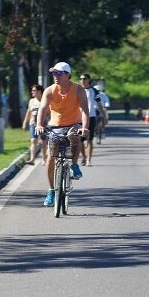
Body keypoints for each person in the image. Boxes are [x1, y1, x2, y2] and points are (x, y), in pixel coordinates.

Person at [35, 62, 90, 206]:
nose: (55, 76)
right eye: (54, 73)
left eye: (58, 73)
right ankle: (51, 190)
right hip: (55, 126)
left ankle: (74, 164)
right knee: (50, 157)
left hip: (74, 124)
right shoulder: (49, 90)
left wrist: (84, 127)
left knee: (75, 136)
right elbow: (43, 108)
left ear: (67, 74)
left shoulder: (78, 90)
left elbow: (84, 111)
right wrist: (39, 124)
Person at [79, 73, 105, 166]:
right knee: (80, 140)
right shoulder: (77, 90)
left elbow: (99, 104)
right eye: (81, 79)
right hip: (79, 118)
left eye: (84, 78)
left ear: (89, 80)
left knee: (89, 140)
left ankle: (89, 160)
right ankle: (84, 156)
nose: (82, 80)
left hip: (91, 117)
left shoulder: (94, 91)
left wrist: (103, 115)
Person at [22, 84, 48, 165]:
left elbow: (49, 112)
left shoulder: (45, 100)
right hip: (33, 123)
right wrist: (25, 122)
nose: (32, 92)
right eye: (32, 90)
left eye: (34, 90)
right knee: (33, 140)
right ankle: (32, 159)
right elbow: (29, 112)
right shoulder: (31, 101)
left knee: (44, 141)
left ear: (39, 91)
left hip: (43, 124)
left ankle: (44, 159)